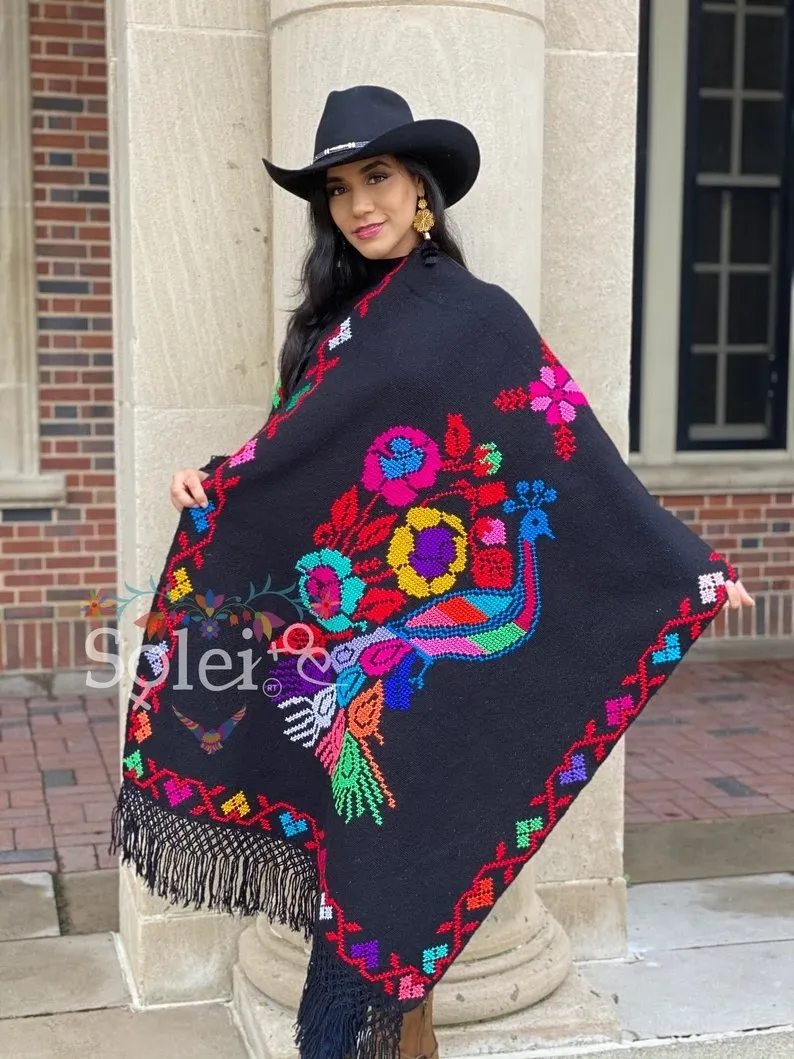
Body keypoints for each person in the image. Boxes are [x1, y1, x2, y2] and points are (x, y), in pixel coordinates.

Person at [115, 86, 754, 1059]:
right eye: (336, 188)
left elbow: (568, 457)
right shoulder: (331, 332)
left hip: (440, 684)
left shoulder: (476, 322)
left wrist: (684, 569)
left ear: (421, 190)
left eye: (375, 177)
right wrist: (216, 485)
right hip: (360, 659)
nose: (356, 204)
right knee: (364, 894)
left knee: (403, 907)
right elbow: (301, 472)